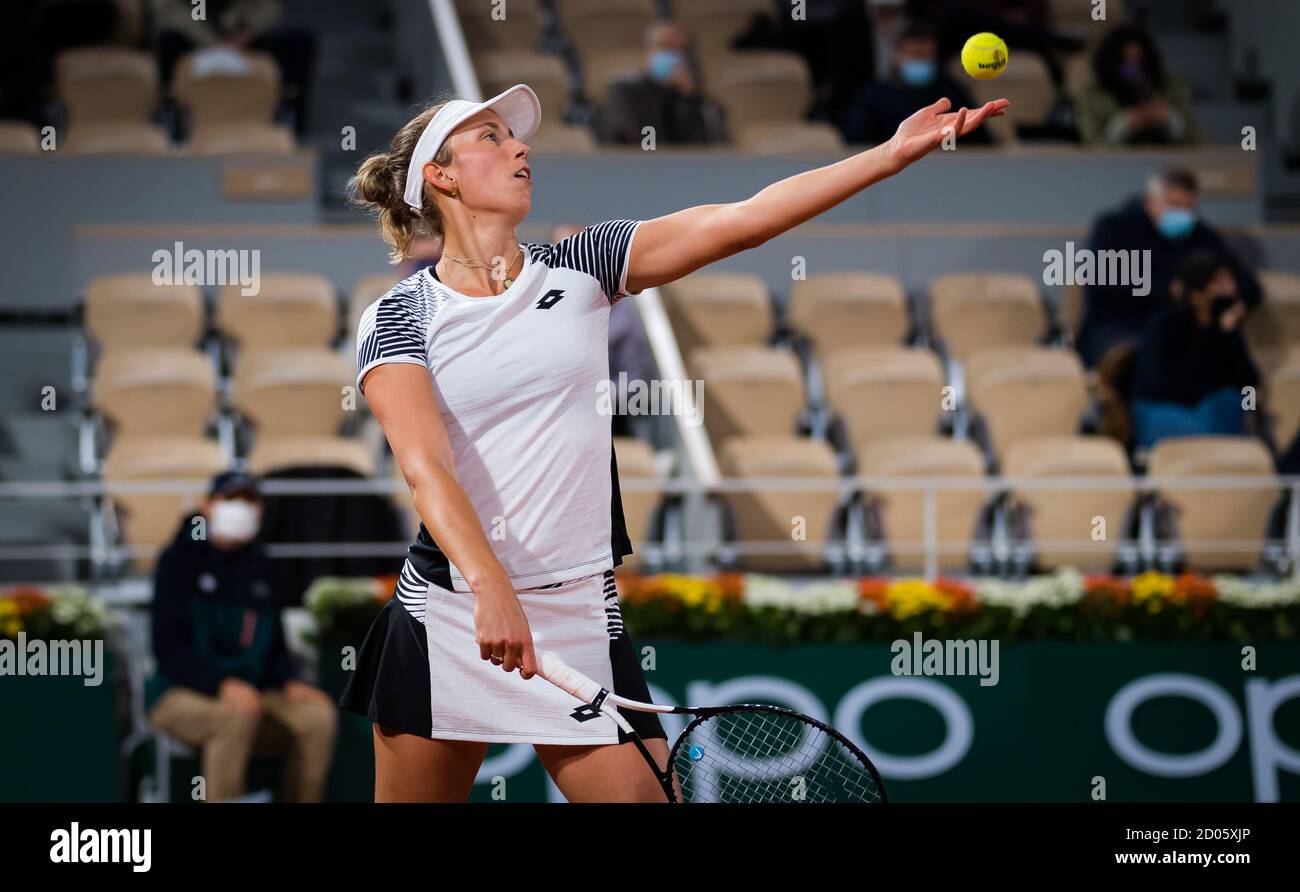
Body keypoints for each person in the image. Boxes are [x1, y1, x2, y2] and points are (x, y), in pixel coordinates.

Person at [341, 82, 1007, 802]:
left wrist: (887, 156)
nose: (521, 147)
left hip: (578, 609)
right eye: (492, 139)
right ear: (439, 178)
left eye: (514, 135)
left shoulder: (584, 263)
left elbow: (745, 220)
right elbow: (424, 466)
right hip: (452, 608)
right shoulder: (401, 315)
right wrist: (490, 587)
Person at [147, 471, 338, 802]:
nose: (240, 508)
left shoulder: (262, 565)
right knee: (233, 715)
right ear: (207, 506)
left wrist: (290, 679)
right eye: (230, 499)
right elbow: (168, 648)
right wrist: (220, 685)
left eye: (249, 501)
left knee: (317, 718)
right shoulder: (178, 560)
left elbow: (275, 645)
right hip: (180, 692)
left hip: (253, 693)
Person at [1075, 168, 1262, 369]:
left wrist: (1236, 303)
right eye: (1174, 205)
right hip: (1120, 325)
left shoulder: (1202, 237)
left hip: (1184, 326)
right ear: (1150, 201)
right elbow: (1100, 283)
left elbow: (1247, 284)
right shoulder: (1114, 228)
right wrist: (1172, 292)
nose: (1183, 214)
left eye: (1190, 208)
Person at [1130, 253, 1259, 450]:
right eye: (1218, 282)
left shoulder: (1229, 331)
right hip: (1164, 407)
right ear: (1196, 295)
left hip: (1210, 411)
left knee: (1230, 403)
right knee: (1200, 424)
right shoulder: (1164, 325)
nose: (1230, 289)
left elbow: (1249, 383)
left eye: (1229, 281)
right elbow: (1156, 383)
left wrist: (1249, 412)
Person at [843, 21, 989, 146]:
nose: (920, 61)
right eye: (914, 55)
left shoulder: (952, 94)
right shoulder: (874, 96)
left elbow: (980, 142)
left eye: (925, 55)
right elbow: (856, 143)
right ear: (897, 56)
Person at [598, 20, 727, 147]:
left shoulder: (697, 100)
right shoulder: (624, 92)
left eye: (680, 49)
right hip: (642, 164)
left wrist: (689, 98)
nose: (672, 54)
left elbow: (701, 146)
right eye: (665, 46)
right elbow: (636, 142)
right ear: (648, 51)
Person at [1075, 25, 1199, 147]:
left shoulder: (1172, 87)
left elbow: (1193, 139)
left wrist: (1170, 118)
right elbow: (1092, 144)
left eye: (1138, 61)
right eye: (1127, 62)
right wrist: (1123, 124)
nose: (1133, 69)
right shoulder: (1092, 94)